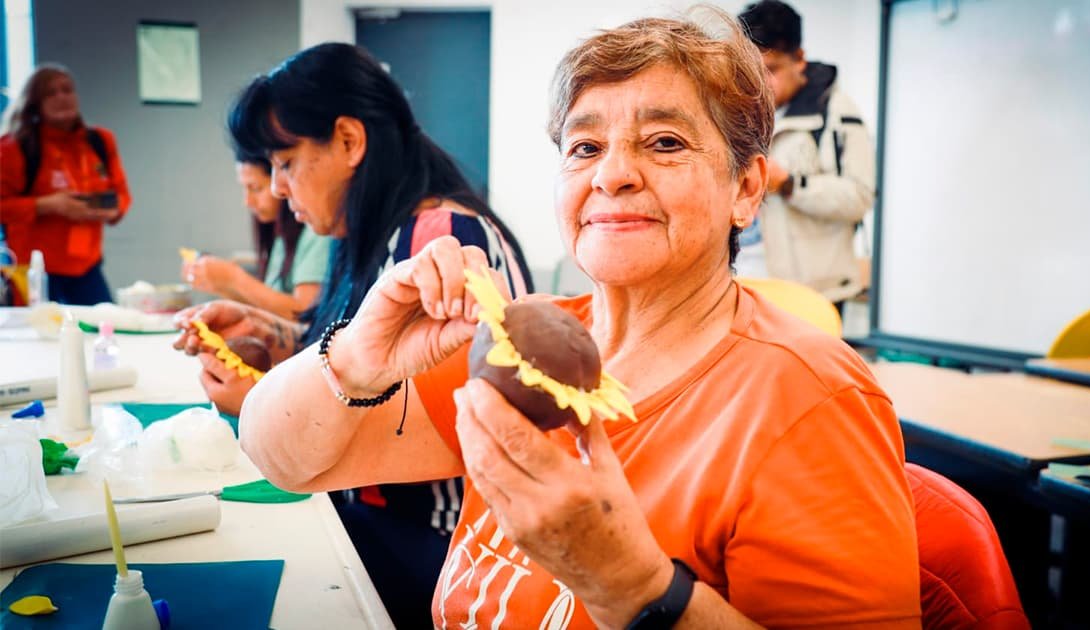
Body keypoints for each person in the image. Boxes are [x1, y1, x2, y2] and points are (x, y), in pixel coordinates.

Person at [234, 14, 920, 628]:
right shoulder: (527, 346)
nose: (612, 174)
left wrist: (633, 585)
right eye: (585, 148)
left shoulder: (810, 401)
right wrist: (358, 353)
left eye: (665, 142)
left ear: (745, 190)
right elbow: (282, 458)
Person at [170, 43, 532, 625]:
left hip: (432, 544)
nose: (280, 190)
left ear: (348, 141)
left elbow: (430, 424)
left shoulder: (439, 240)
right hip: (375, 517)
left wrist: (263, 402)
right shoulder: (371, 229)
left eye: (285, 163)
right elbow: (371, 361)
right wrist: (272, 335)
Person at [736, 0, 875, 308]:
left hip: (811, 293)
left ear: (799, 59)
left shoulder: (838, 114)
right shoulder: (737, 112)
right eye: (750, 71)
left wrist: (788, 183)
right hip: (743, 284)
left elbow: (860, 197)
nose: (759, 84)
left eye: (771, 70)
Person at [0, 63, 131, 305]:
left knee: (103, 329)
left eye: (67, 89)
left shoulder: (99, 141)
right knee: (37, 338)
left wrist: (112, 209)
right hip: (35, 270)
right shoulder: (15, 147)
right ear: (34, 102)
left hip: (87, 266)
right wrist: (47, 205)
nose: (61, 97)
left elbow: (122, 195)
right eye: (50, 93)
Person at [180, 150, 331, 321]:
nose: (247, 201)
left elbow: (305, 313)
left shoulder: (316, 231)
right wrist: (220, 284)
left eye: (256, 188)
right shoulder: (282, 235)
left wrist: (233, 277)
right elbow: (267, 310)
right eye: (245, 189)